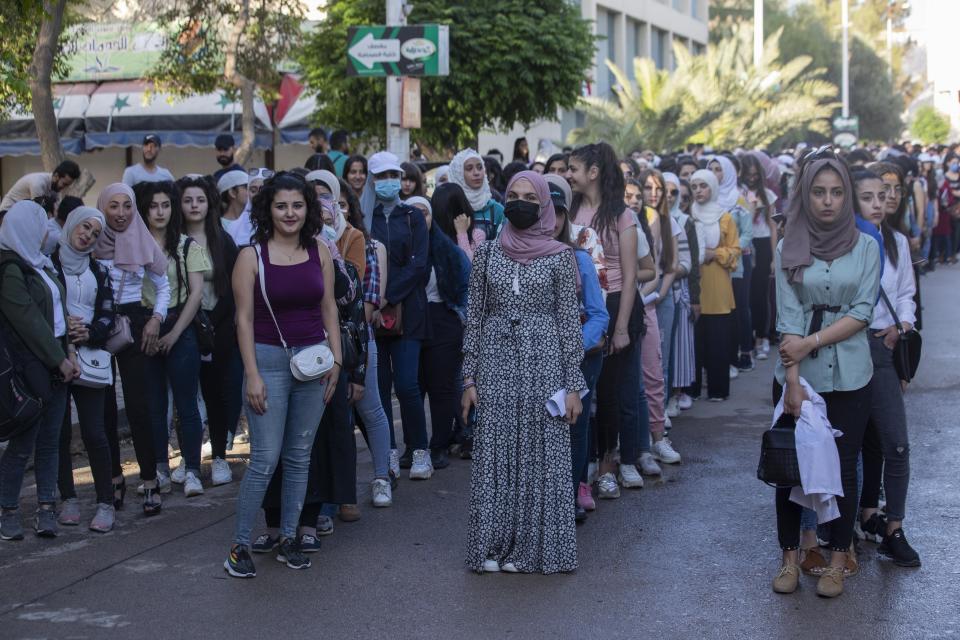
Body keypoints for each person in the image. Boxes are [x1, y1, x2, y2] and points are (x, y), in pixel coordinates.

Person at [461, 170, 585, 574]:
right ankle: (494, 545)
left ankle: (529, 549)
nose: (519, 203)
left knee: (538, 455)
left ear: (545, 205)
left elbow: (569, 323)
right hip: (495, 362)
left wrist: (572, 387)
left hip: (545, 363)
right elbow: (474, 319)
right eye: (512, 195)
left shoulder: (561, 257)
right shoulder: (486, 254)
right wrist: (469, 378)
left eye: (530, 197)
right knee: (496, 453)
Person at [771, 154, 880, 598]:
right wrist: (793, 380)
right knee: (790, 468)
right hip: (800, 373)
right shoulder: (787, 247)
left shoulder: (867, 246)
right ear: (805, 194)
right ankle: (790, 559)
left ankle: (837, 561)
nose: (828, 201)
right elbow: (788, 316)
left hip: (852, 371)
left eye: (837, 192)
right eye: (819, 192)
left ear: (847, 195)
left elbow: (862, 312)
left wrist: (811, 343)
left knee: (844, 469)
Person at [225, 172, 342, 578]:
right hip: (267, 363)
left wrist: (337, 362)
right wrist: (251, 375)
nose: (290, 213)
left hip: (314, 362)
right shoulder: (250, 256)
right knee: (265, 459)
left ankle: (289, 538)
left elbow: (329, 308)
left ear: (308, 209)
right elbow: (241, 320)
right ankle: (240, 546)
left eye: (297, 205)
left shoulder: (320, 251)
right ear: (267, 210)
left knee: (298, 456)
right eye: (281, 205)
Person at [852, 169, 921, 567]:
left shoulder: (896, 241)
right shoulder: (846, 242)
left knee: (896, 442)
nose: (879, 203)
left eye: (884, 195)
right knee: (852, 443)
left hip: (882, 347)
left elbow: (907, 295)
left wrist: (902, 326)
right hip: (845, 347)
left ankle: (893, 527)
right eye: (869, 196)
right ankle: (851, 522)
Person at [0, 201, 79, 541]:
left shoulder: (42, 264)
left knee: (50, 441)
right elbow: (28, 321)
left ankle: (46, 508)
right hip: (30, 367)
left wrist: (70, 353)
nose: (47, 229)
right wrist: (58, 360)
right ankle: (8, 511)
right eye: (41, 223)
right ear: (25, 228)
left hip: (58, 362)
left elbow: (60, 313)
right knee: (22, 444)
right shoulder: (9, 268)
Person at [568, 142, 643, 498]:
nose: (568, 175)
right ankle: (579, 473)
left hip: (614, 304)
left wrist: (622, 326)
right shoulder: (569, 209)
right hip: (578, 306)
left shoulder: (621, 214)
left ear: (593, 173)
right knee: (581, 393)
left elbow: (630, 276)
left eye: (574, 169)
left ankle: (608, 466)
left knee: (611, 393)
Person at [93, 183, 171, 516]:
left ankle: (150, 479)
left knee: (139, 406)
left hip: (135, 324)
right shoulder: (91, 239)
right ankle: (113, 478)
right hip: (98, 328)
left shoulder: (143, 239)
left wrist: (156, 317)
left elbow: (163, 286)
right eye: (114, 206)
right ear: (102, 208)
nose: (122, 213)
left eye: (127, 205)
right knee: (104, 408)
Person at [134, 181, 207, 498]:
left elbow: (196, 295)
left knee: (186, 404)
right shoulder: (132, 246)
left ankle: (192, 469)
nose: (160, 211)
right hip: (145, 327)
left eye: (165, 205)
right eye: (153, 205)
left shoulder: (188, 246)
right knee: (153, 404)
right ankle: (160, 469)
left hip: (181, 326)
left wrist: (176, 333)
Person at [364, 151, 433, 480]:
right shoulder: (364, 219)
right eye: (381, 176)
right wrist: (373, 302)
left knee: (407, 384)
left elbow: (420, 264)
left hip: (409, 312)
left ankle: (419, 450)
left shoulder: (413, 216)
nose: (389, 181)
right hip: (371, 315)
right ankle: (387, 452)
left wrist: (387, 296)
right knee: (379, 388)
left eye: (393, 174)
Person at [546, 172, 609, 522]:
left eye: (559, 213)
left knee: (575, 427)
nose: (552, 220)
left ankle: (570, 495)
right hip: (537, 359)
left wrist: (573, 345)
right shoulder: (519, 257)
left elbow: (599, 315)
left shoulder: (580, 257)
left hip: (581, 359)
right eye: (545, 211)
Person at [52, 206, 118, 532]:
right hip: (54, 357)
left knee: (95, 432)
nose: (87, 235)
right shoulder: (46, 263)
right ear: (72, 224)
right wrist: (63, 329)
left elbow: (109, 312)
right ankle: (68, 498)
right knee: (59, 433)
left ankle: (106, 502)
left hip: (91, 359)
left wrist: (88, 332)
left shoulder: (99, 270)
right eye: (85, 227)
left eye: (95, 233)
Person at [178, 175, 240, 487]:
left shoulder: (222, 239)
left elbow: (232, 288)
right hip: (182, 329)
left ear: (209, 203)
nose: (194, 206)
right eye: (188, 200)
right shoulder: (171, 240)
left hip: (218, 329)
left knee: (216, 396)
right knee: (185, 397)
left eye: (200, 200)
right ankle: (187, 459)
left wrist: (214, 322)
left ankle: (218, 457)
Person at [417, 192, 470, 470]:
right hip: (411, 323)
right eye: (412, 213)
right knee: (411, 387)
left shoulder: (448, 250)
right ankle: (415, 450)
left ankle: (437, 446)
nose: (418, 218)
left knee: (441, 387)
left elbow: (465, 285)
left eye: (423, 212)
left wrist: (462, 316)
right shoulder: (400, 249)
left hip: (443, 319)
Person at [689, 170, 740, 402]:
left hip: (718, 289)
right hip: (694, 288)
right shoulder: (687, 215)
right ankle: (692, 389)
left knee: (718, 343)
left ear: (713, 188)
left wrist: (713, 253)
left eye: (703, 186)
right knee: (694, 344)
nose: (698, 190)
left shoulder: (725, 217)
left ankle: (718, 390)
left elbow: (735, 251)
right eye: (695, 186)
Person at [708, 155, 754, 374]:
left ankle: (742, 353)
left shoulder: (739, 200)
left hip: (736, 262)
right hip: (712, 266)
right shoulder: (706, 200)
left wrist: (730, 248)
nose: (715, 173)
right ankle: (721, 357)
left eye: (719, 169)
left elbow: (748, 233)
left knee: (739, 309)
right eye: (711, 169)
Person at [663, 173, 700, 417]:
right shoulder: (646, 219)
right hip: (651, 292)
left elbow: (691, 262)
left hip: (677, 292)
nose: (667, 196)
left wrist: (668, 272)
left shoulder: (682, 221)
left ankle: (674, 395)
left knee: (676, 348)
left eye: (673, 192)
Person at [740, 152, 779, 362]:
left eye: (756, 175)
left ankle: (762, 337)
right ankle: (748, 337)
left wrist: (774, 257)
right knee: (744, 296)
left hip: (763, 245)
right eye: (749, 174)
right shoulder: (738, 193)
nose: (752, 178)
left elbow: (773, 228)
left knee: (760, 294)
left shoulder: (769, 196)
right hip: (743, 245)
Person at [449, 149, 505, 240]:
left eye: (480, 167)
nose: (476, 173)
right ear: (458, 174)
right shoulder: (450, 207)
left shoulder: (496, 210)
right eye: (469, 168)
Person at [0, 160, 80, 213]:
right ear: (56, 176)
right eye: (64, 184)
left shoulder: (54, 188)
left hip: (20, 213)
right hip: (6, 212)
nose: (64, 187)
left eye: (67, 185)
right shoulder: (38, 183)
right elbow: (38, 211)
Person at [218, 170, 250, 234]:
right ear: (232, 192)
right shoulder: (218, 226)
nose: (251, 192)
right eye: (246, 187)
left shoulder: (252, 221)